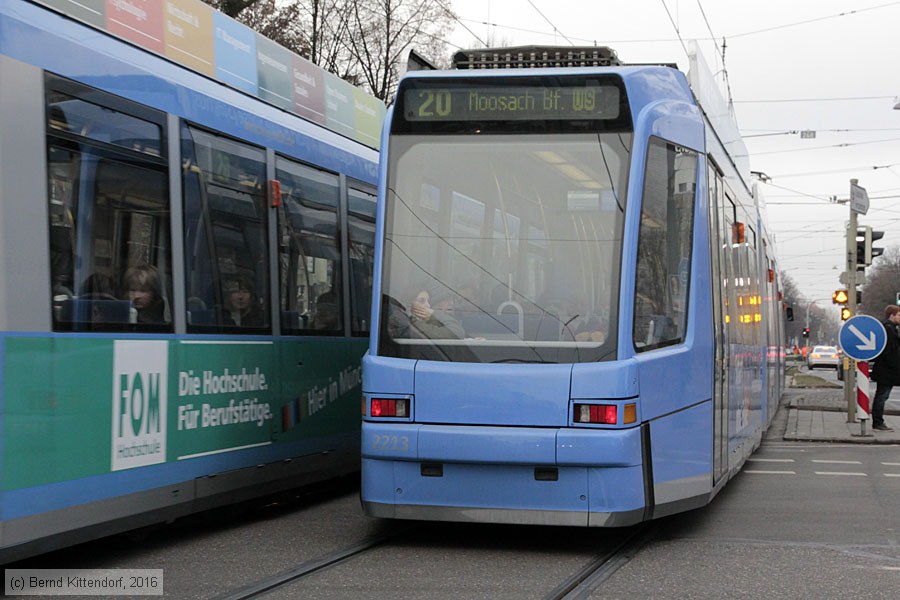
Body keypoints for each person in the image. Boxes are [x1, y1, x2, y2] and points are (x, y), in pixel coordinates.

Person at [869, 304, 900, 431]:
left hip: (886, 370)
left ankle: (878, 421)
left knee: (882, 396)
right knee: (881, 396)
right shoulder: (888, 329)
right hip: (887, 370)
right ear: (892, 315)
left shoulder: (890, 328)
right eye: (899, 315)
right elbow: (889, 351)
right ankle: (878, 422)